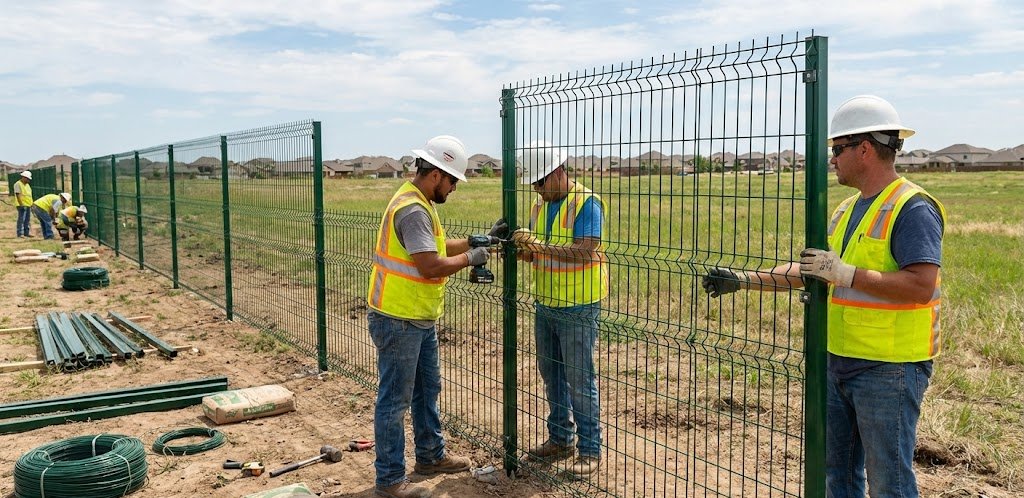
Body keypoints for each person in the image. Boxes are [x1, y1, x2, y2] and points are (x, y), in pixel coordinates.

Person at [702, 95, 944, 498]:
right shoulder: (849, 209)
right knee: (839, 476)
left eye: (837, 149)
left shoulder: (912, 208)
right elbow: (815, 273)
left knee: (890, 483)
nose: (832, 159)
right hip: (840, 360)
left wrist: (846, 274)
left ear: (864, 149)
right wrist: (743, 280)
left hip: (890, 368)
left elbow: (920, 285)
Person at [366, 135, 503, 498]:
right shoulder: (412, 210)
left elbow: (436, 247)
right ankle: (390, 481)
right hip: (399, 319)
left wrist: (480, 241)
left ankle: (430, 456)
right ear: (436, 174)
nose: (454, 188)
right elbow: (430, 265)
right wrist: (470, 259)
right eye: (452, 180)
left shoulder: (419, 202)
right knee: (394, 401)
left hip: (417, 318)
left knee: (426, 392)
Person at [510, 141, 607, 477]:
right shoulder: (541, 206)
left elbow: (585, 249)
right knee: (552, 378)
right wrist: (526, 251)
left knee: (580, 380)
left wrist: (540, 246)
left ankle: (590, 450)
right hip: (547, 304)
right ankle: (560, 439)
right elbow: (544, 252)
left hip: (578, 307)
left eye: (539, 182)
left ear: (556, 173)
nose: (536, 189)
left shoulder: (587, 203)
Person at [13, 170, 33, 237]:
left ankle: (26, 233)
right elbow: (18, 195)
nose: (28, 180)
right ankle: (20, 233)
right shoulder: (18, 184)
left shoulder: (27, 185)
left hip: (28, 204)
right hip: (22, 205)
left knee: (27, 220)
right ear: (23, 177)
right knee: (21, 219)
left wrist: (31, 204)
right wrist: (21, 204)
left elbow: (29, 195)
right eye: (27, 178)